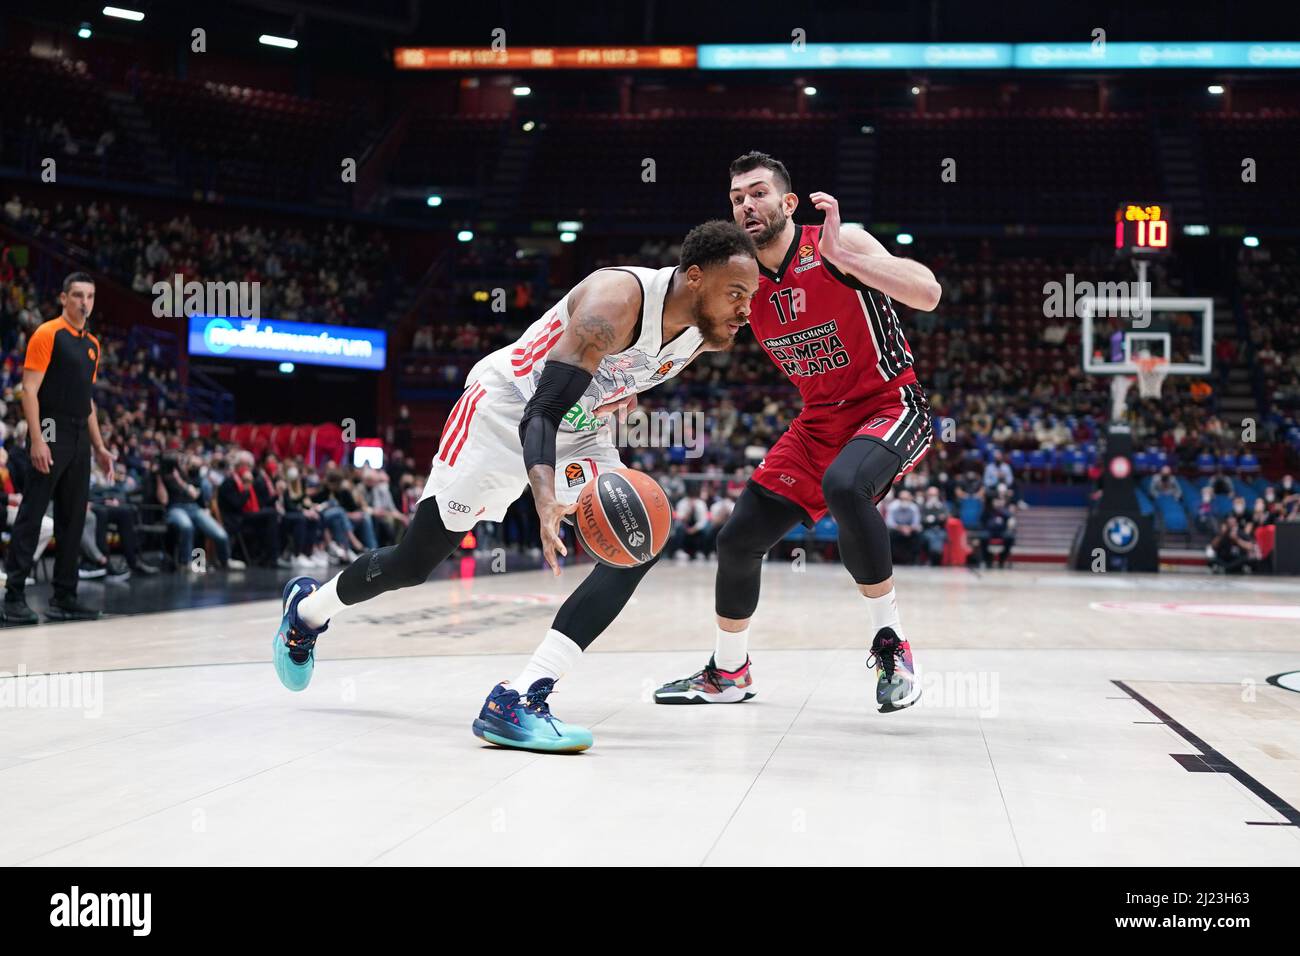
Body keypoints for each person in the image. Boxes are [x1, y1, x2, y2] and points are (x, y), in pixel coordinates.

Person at [271, 220, 760, 752]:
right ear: (693, 278)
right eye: (737, 294)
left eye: (750, 296)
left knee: (636, 540)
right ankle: (307, 612)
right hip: (504, 414)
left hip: (580, 430)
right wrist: (545, 499)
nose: (745, 310)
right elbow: (541, 412)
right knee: (414, 563)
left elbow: (620, 374)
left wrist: (622, 393)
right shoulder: (615, 301)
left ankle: (522, 695)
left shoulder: (705, 332)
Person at [655, 151, 941, 711]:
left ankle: (892, 644)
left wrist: (846, 260)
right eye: (737, 198)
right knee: (737, 539)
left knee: (844, 486)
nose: (746, 206)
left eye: (758, 193)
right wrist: (635, 381)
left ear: (788, 202)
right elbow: (692, 341)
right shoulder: (740, 280)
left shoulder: (840, 241)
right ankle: (729, 671)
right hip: (817, 424)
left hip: (889, 403)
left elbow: (927, 292)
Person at [3, 273, 115, 623]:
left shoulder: (93, 345)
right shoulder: (47, 333)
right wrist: (37, 439)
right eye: (78, 295)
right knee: (33, 514)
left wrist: (99, 446)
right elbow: (29, 390)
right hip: (50, 431)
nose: (85, 302)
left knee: (73, 518)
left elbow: (88, 400)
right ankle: (13, 596)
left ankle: (65, 595)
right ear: (64, 298)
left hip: (81, 435)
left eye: (91, 296)